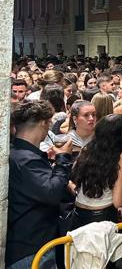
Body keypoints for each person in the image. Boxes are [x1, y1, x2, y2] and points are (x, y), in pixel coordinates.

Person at [7, 101, 74, 269]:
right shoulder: (27, 160)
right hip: (33, 248)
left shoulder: (17, 153)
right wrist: (63, 159)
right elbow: (52, 193)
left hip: (26, 243)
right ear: (44, 123)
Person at [70, 114, 122, 229]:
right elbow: (118, 201)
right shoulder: (121, 156)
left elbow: (74, 179)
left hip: (78, 215)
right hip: (103, 218)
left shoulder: (86, 149)